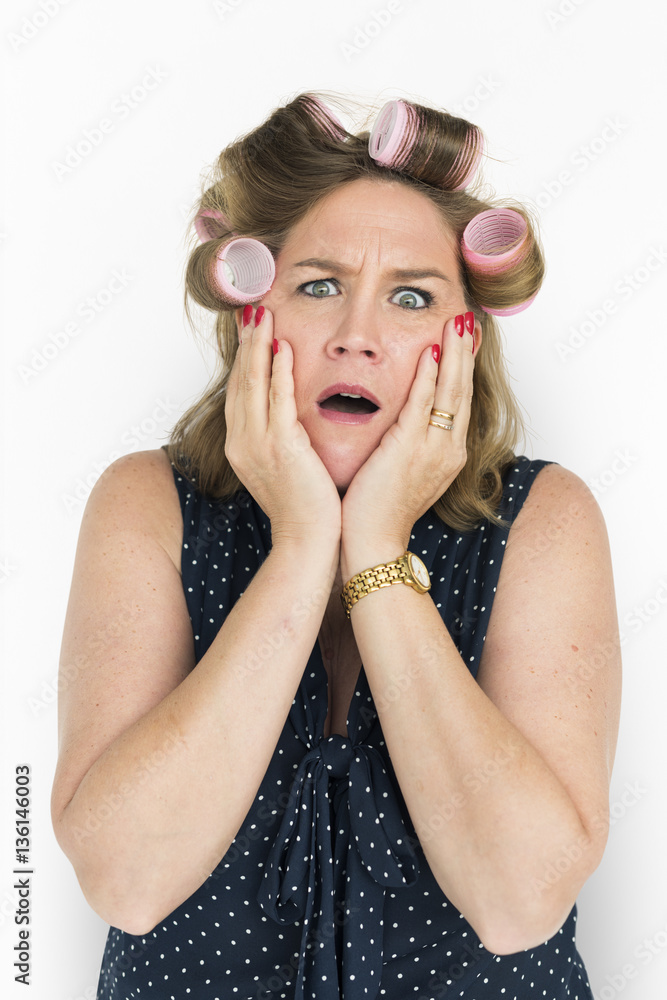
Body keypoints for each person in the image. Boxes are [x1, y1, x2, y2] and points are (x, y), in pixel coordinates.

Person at [51, 92, 621, 1000]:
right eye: (318, 286)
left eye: (411, 296)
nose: (358, 337)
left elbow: (519, 903)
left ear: (460, 339)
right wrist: (303, 543)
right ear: (252, 312)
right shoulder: (146, 504)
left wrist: (377, 550)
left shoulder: (544, 519)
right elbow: (125, 882)